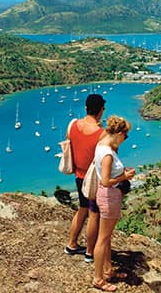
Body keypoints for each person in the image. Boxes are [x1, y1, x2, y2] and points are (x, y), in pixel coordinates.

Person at [92, 116, 135, 292]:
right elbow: (106, 181)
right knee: (102, 239)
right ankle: (98, 279)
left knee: (106, 237)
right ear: (118, 134)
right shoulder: (108, 154)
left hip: (106, 196)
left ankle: (108, 270)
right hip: (109, 196)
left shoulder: (102, 143)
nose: (125, 140)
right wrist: (125, 176)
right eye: (125, 136)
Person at [64, 93, 106, 263]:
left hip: (79, 175)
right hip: (93, 179)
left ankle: (72, 244)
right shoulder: (101, 134)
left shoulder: (73, 125)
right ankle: (90, 253)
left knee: (82, 208)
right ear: (101, 110)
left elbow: (70, 142)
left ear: (86, 108)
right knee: (94, 214)